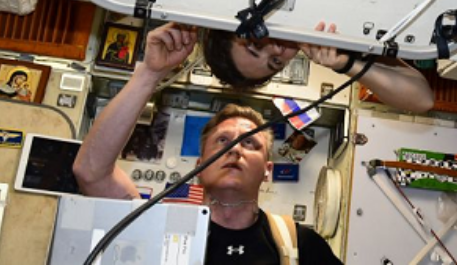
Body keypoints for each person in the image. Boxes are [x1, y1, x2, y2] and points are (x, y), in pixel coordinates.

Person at [73, 24, 343, 264]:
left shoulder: (300, 245)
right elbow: (91, 172)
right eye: (223, 141)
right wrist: (150, 73)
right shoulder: (161, 227)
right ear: (199, 166)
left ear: (267, 170)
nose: (235, 149)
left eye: (250, 143)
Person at [203, 21, 434, 113]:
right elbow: (423, 100)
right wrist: (347, 64)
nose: (277, 49)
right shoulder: (329, 43)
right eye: (275, 62)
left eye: (256, 44)